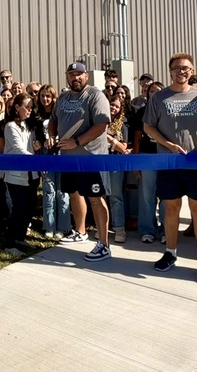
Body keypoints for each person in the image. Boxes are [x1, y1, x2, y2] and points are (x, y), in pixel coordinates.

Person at [143, 53, 197, 283]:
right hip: (169, 162)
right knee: (171, 209)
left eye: (186, 68)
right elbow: (148, 127)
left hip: (196, 162)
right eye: (177, 68)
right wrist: (168, 145)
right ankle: (170, 253)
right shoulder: (159, 98)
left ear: (192, 71)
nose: (181, 72)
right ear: (170, 71)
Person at [49, 62, 113, 262]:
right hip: (68, 160)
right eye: (71, 74)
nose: (75, 78)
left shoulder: (95, 95)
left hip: (91, 159)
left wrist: (76, 141)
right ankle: (80, 231)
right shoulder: (63, 97)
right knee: (75, 194)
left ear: (86, 76)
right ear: (67, 77)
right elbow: (53, 121)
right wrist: (51, 136)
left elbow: (102, 125)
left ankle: (104, 244)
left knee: (96, 198)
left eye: (79, 74)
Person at [2, 93, 40, 255]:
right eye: (27, 107)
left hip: (32, 174)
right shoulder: (10, 126)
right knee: (18, 209)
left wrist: (37, 148)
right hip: (15, 175)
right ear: (17, 107)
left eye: (31, 108)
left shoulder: (29, 126)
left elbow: (31, 147)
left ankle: (20, 238)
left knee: (29, 208)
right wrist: (37, 161)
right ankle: (9, 244)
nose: (30, 110)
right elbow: (19, 149)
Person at [131, 81, 164, 242]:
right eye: (152, 91)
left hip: (164, 158)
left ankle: (166, 230)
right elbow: (136, 139)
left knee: (166, 196)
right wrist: (136, 162)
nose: (155, 94)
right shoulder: (141, 112)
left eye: (159, 91)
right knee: (146, 195)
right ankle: (147, 229)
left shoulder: (168, 112)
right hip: (146, 157)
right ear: (147, 94)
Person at [35, 85, 68, 239]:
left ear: (54, 97)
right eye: (42, 96)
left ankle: (63, 227)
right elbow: (35, 138)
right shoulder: (36, 117)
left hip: (61, 154)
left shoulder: (61, 114)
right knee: (49, 191)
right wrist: (39, 145)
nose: (45, 99)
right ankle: (49, 226)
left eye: (48, 96)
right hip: (45, 156)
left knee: (62, 192)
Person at [104, 95, 130, 243]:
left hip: (115, 163)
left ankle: (119, 228)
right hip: (101, 161)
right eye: (111, 105)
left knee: (116, 196)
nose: (113, 108)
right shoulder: (99, 123)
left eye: (116, 106)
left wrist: (110, 139)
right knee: (101, 196)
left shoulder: (123, 127)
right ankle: (104, 227)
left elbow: (123, 148)